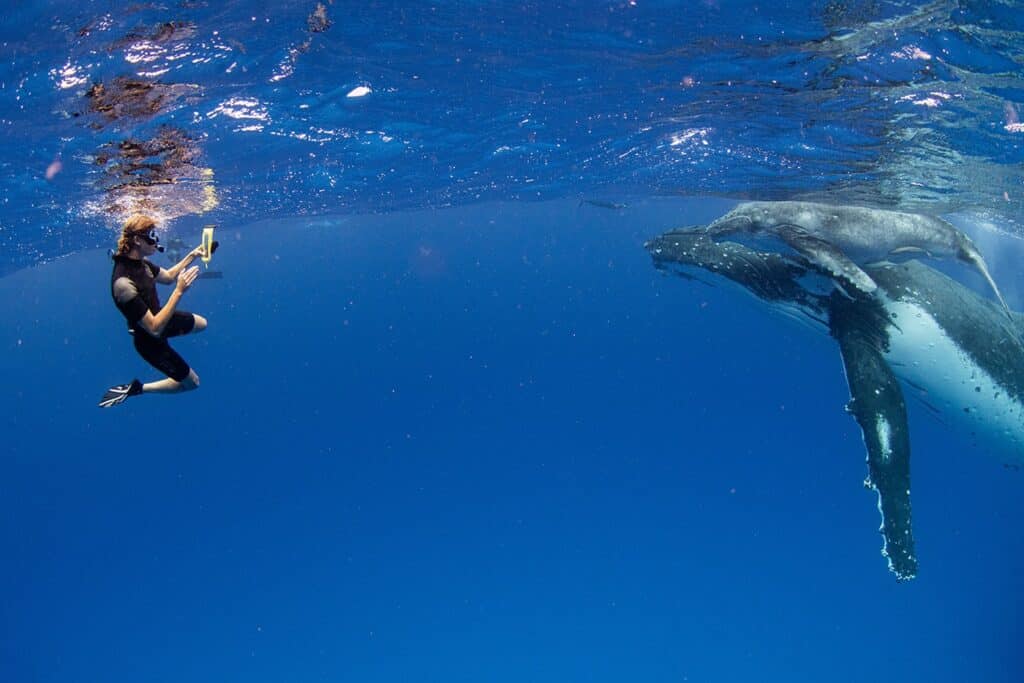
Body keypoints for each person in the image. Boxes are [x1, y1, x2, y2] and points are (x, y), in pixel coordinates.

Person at [98, 214, 212, 407]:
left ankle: (136, 323)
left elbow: (167, 277)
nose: (156, 240)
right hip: (149, 340)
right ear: (137, 240)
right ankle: (138, 388)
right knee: (193, 383)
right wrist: (179, 291)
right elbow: (154, 329)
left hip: (160, 319)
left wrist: (193, 255)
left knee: (202, 324)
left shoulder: (141, 263)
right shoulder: (123, 284)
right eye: (152, 235)